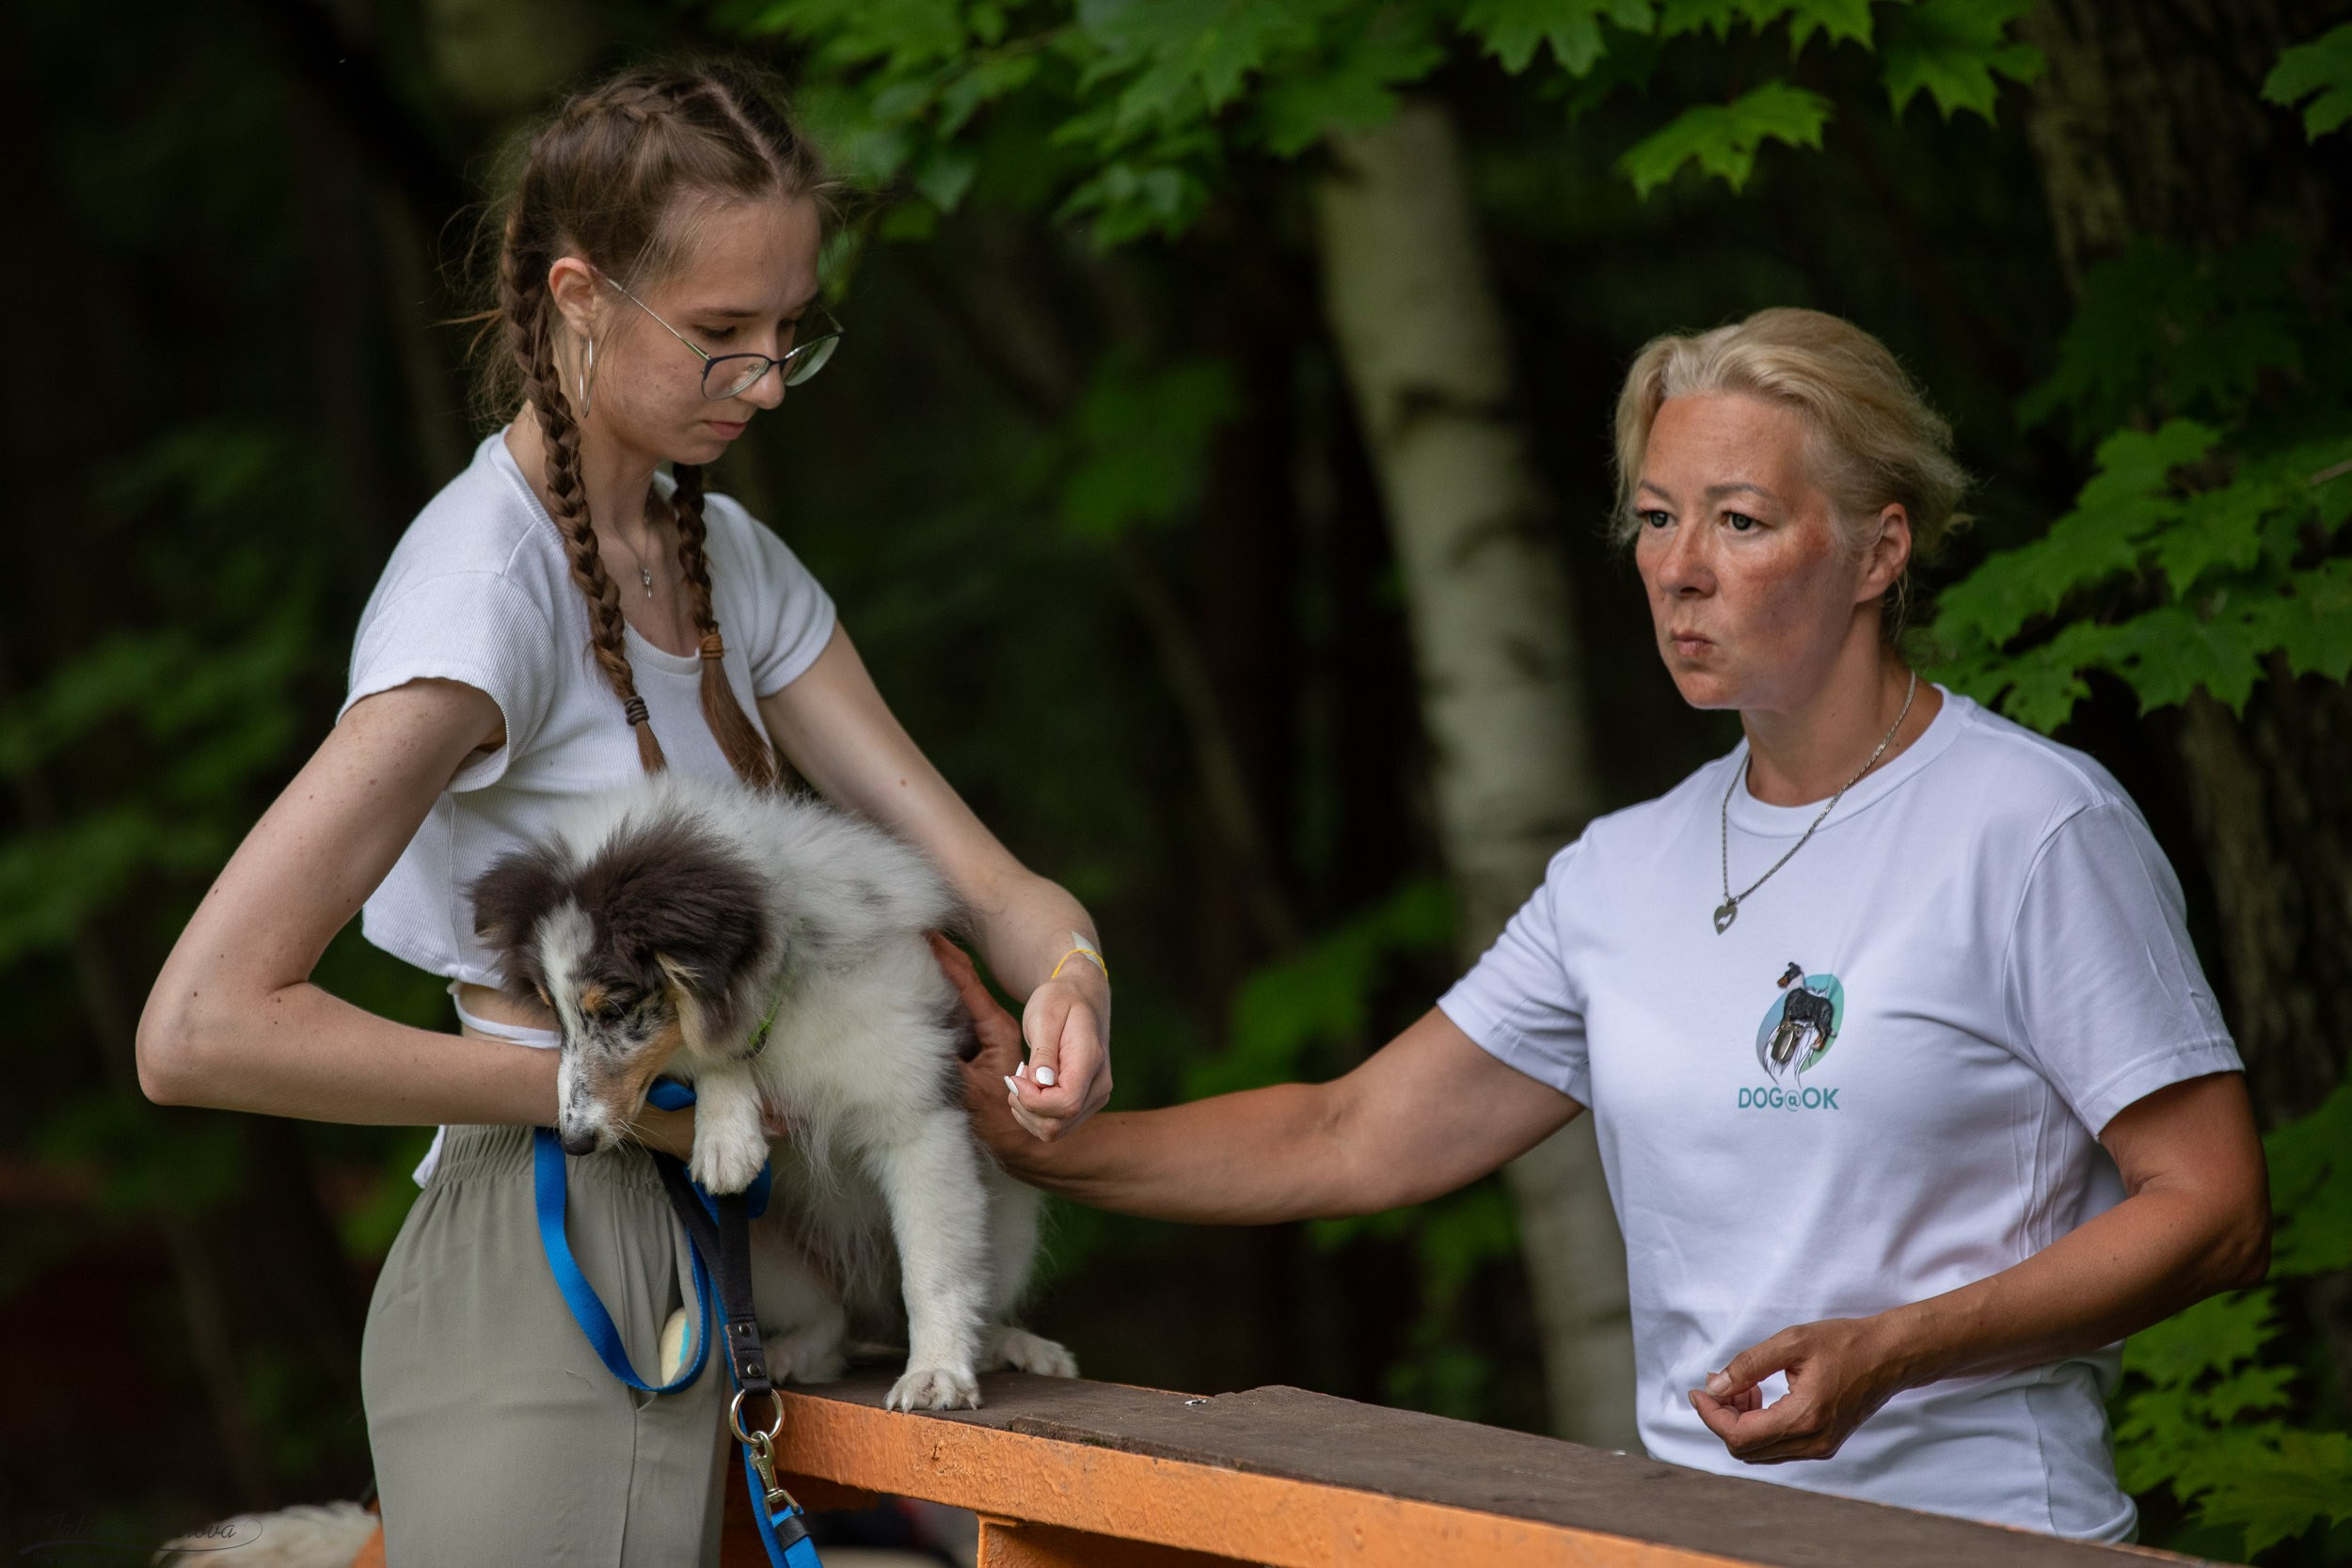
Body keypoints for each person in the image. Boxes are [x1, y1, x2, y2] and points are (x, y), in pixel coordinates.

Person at [939, 307, 2270, 1543]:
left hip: (1983, 1541)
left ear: (1881, 548)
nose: (1680, 572)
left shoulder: (2031, 826)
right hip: (1694, 1547)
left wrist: (1895, 1347)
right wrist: (1056, 1147)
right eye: (1653, 518)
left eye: (1741, 522)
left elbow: (2211, 1209)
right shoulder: (1620, 873)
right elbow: (1348, 1134)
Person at [135, 60, 1109, 1567]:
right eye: (723, 335)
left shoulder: (727, 556)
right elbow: (198, 1029)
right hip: (556, 1234)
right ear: (581, 298)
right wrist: (613, 1098)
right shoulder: (483, 591)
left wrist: (1070, 986)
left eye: (794, 334)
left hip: (755, 1242)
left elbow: (995, 885)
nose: (769, 380)